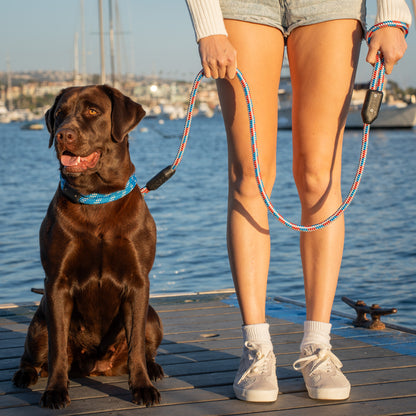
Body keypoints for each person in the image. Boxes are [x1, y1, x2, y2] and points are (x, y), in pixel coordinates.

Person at [185, 0, 412, 403]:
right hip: (243, 5)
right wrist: (207, 25)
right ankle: (256, 348)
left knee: (319, 178)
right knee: (250, 178)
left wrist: (393, 14)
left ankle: (317, 347)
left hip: (331, 6)